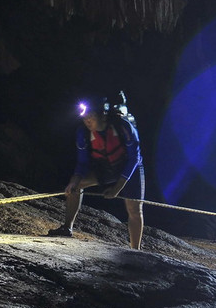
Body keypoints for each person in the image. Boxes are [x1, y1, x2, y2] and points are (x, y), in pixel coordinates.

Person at [48, 95, 145, 249]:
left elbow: (134, 158)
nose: (87, 120)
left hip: (129, 168)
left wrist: (117, 188)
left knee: (134, 208)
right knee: (77, 186)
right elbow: (82, 163)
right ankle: (67, 228)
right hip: (107, 167)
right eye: (84, 117)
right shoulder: (83, 133)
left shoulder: (123, 127)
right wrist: (73, 181)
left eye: (91, 116)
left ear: (102, 115)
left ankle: (136, 250)